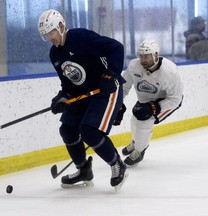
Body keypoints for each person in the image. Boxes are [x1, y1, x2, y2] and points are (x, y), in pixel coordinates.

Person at [38, 9, 128, 191]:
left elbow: (116, 48)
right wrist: (63, 97)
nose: (50, 38)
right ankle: (83, 170)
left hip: (106, 89)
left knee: (89, 131)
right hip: (84, 94)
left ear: (61, 26)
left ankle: (117, 164)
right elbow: (68, 83)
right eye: (46, 35)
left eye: (52, 33)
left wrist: (111, 74)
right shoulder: (55, 55)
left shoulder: (80, 37)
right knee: (68, 130)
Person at [116, 39, 183, 167]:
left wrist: (155, 107)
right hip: (145, 99)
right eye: (141, 56)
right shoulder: (134, 66)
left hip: (166, 101)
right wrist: (117, 104)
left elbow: (176, 98)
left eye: (146, 56)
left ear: (156, 55)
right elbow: (123, 87)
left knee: (144, 121)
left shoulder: (170, 71)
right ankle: (136, 142)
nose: (143, 60)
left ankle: (139, 151)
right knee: (134, 119)